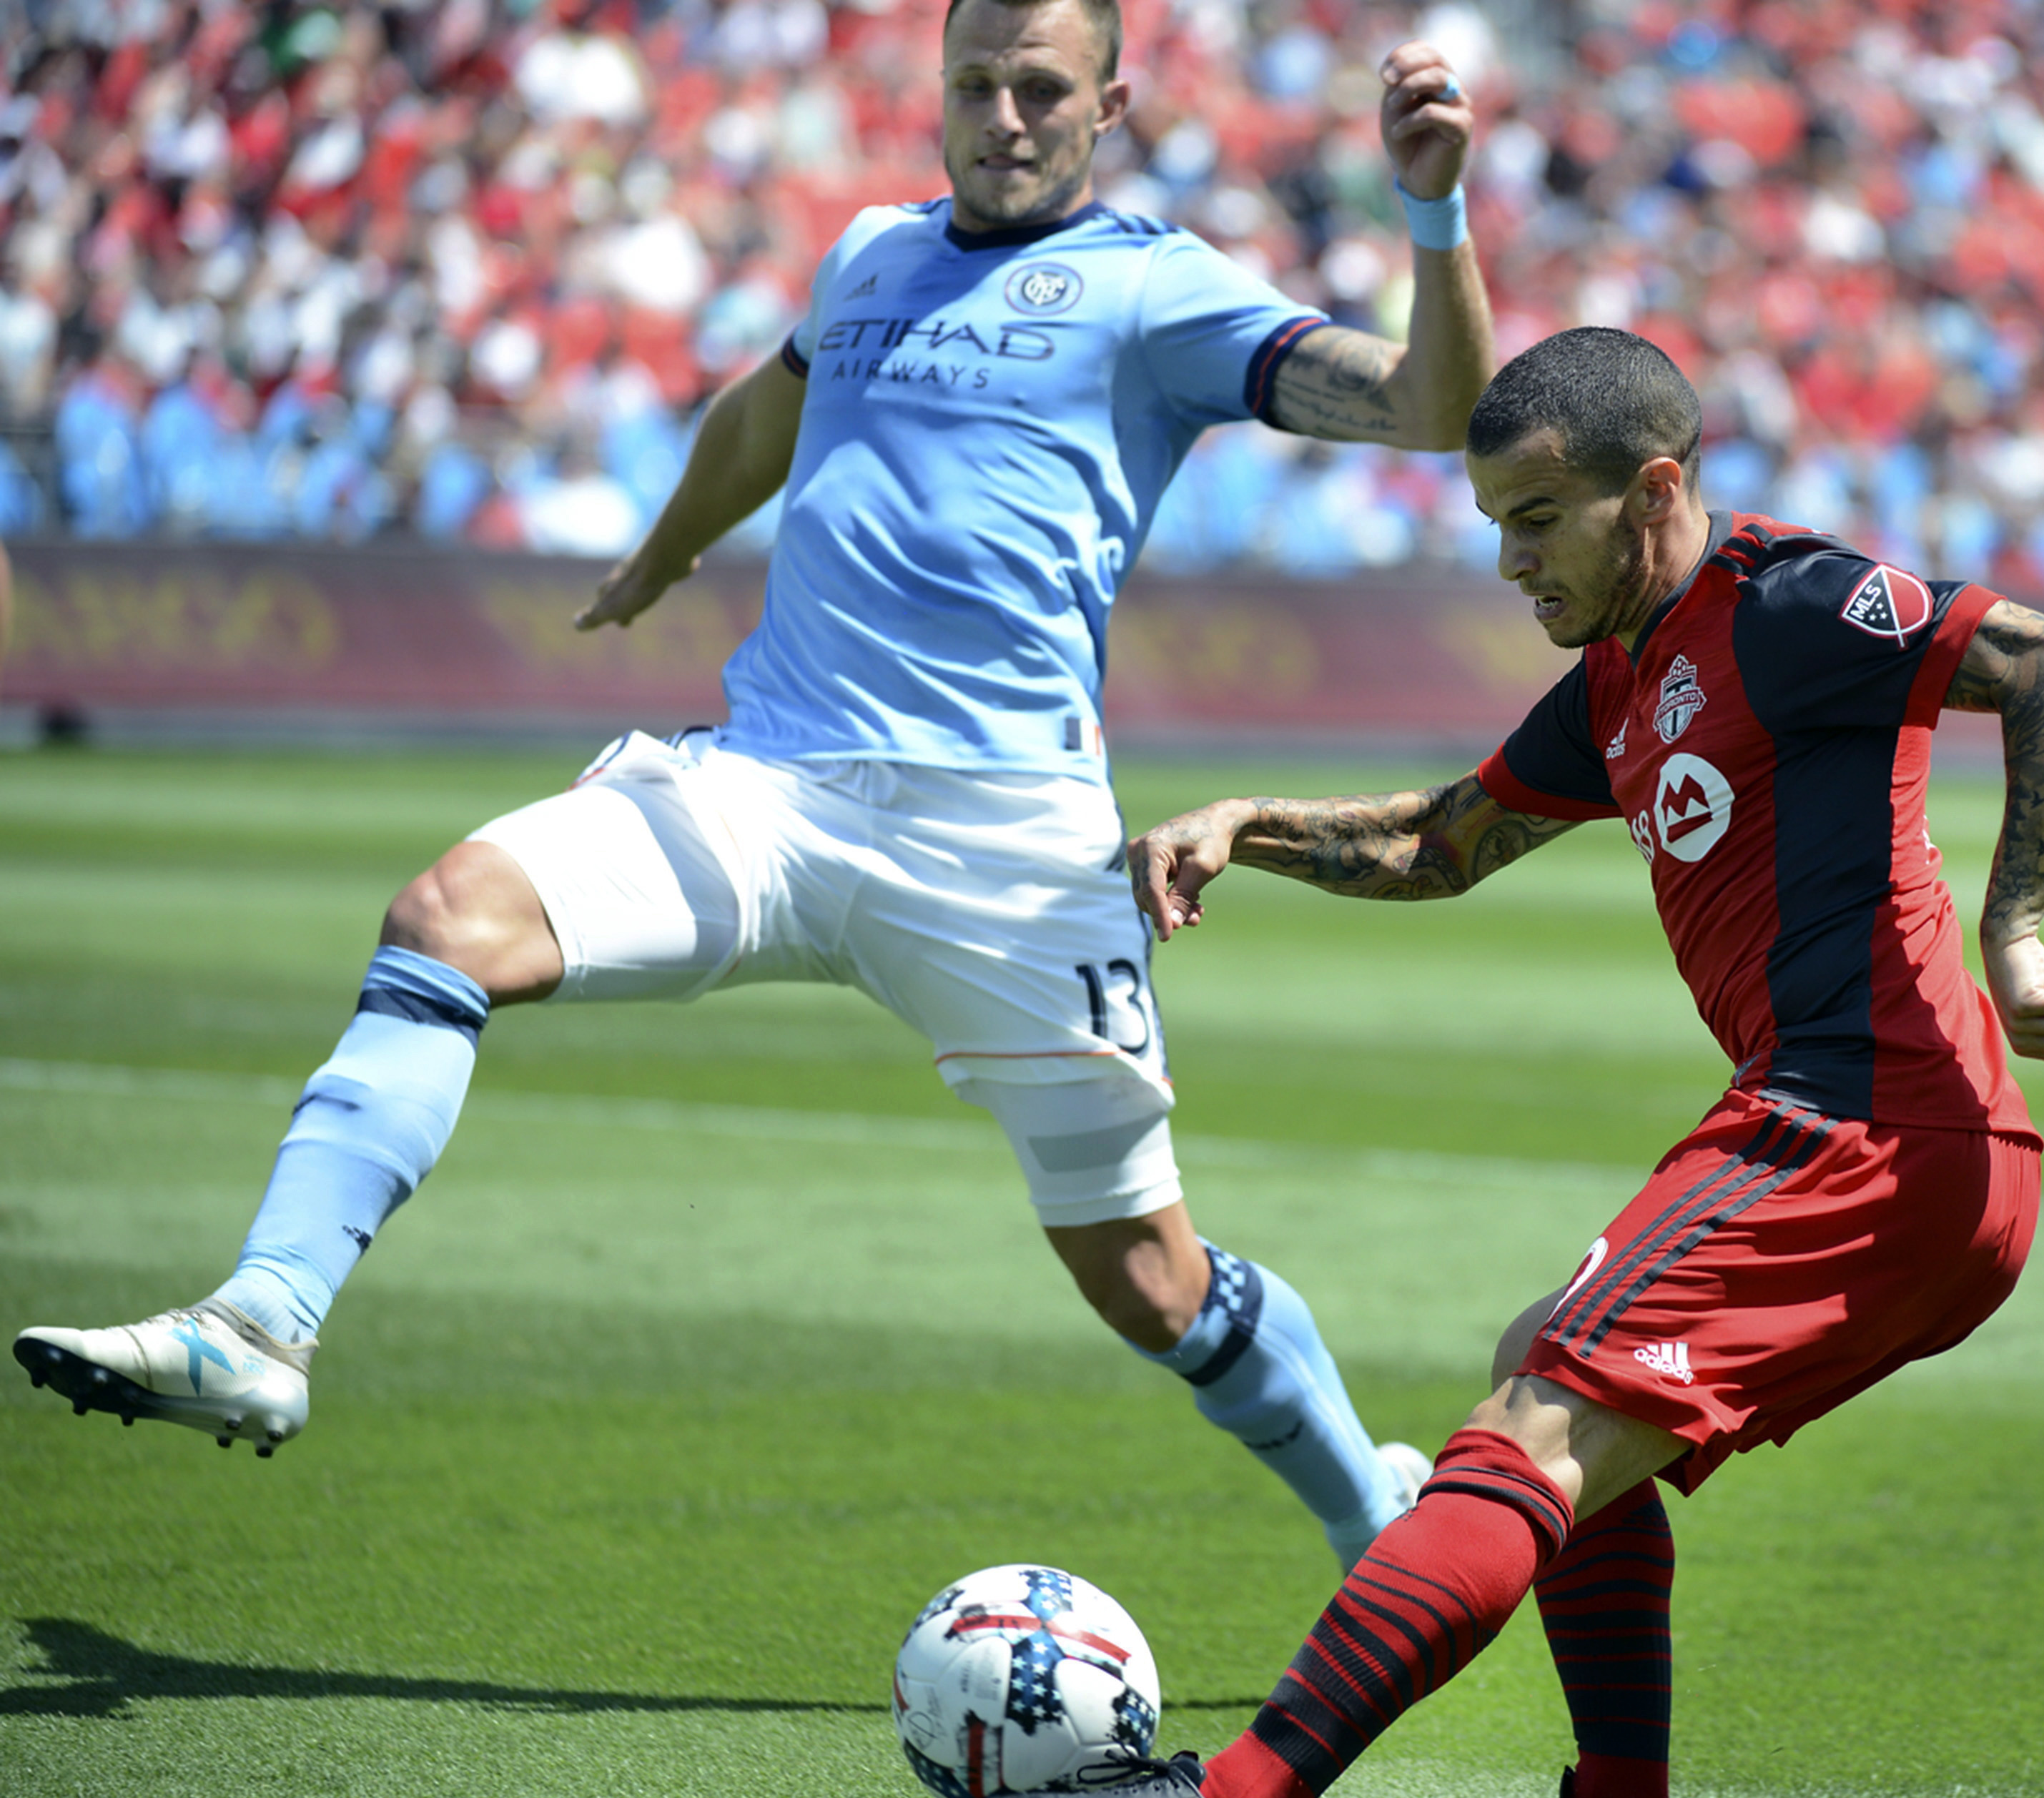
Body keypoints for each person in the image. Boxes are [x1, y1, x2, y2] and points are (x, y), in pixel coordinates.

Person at [12, 0, 1497, 1572]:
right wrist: (665, 550)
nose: (1002, 115)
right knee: (451, 915)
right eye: (975, 82)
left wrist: (1433, 210)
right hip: (768, 789)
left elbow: (1434, 407)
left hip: (1004, 845)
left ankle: (1372, 1517)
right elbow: (764, 415)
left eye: (1039, 88)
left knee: (1149, 1283)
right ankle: (264, 1318)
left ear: (1110, 105)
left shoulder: (1158, 287)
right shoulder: (871, 253)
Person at [978, 325, 2044, 1798]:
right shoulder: (1623, 676)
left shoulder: (1786, 606)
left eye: (1535, 520)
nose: (1510, 561)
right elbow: (1440, 842)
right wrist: (1244, 823)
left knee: (1533, 1421)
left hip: (1865, 1125)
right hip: (1878, 1142)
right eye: (1495, 525)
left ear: (1651, 491)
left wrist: (2015, 932)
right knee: (1551, 1363)